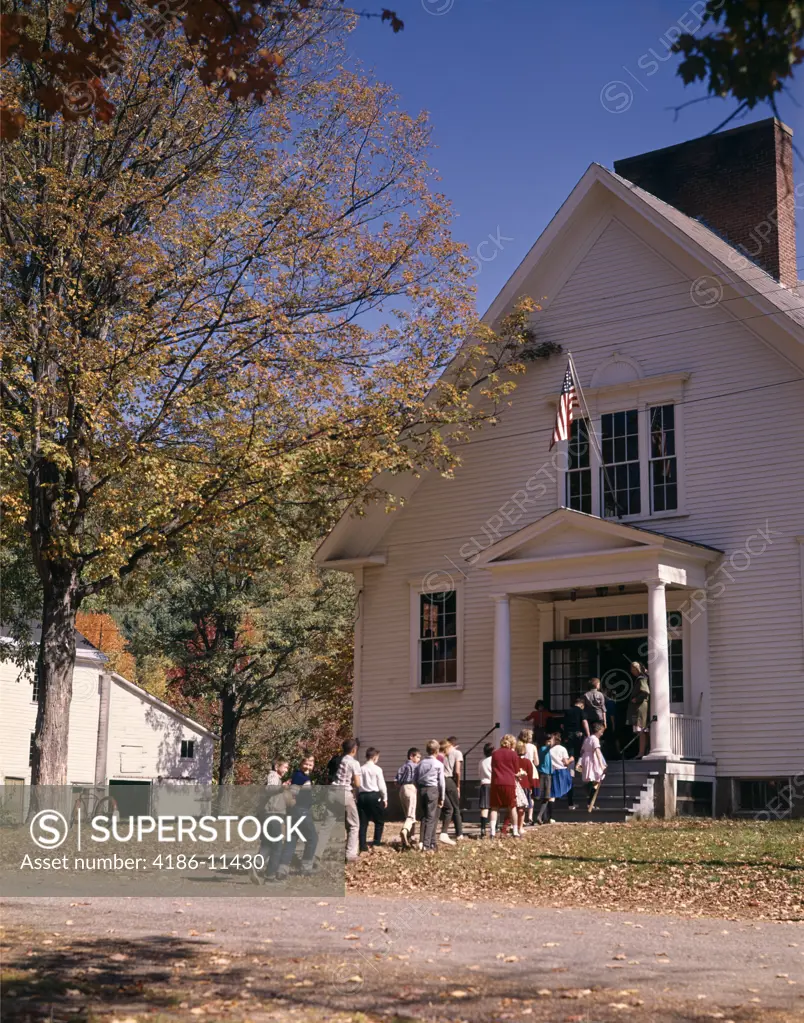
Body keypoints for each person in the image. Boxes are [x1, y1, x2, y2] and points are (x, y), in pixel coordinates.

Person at [251, 756, 290, 884]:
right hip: (272, 815)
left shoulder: (276, 779)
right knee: (277, 845)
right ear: (276, 767)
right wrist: (281, 788)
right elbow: (269, 789)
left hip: (269, 814)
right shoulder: (273, 776)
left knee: (267, 843)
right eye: (285, 767)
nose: (286, 769)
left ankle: (256, 865)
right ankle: (270, 876)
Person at [279, 753, 318, 877]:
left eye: (310, 764)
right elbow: (293, 793)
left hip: (291, 813)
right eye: (305, 763)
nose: (308, 766)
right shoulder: (302, 778)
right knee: (312, 838)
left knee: (291, 839)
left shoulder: (295, 775)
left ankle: (282, 869)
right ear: (301, 764)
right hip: (301, 811)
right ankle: (306, 868)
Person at [332, 737, 362, 861]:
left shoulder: (339, 760)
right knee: (354, 825)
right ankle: (350, 854)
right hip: (344, 792)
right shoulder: (354, 763)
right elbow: (358, 783)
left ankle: (316, 853)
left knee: (327, 825)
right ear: (354, 749)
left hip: (332, 791)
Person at [415, 739, 445, 851]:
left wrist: (419, 788)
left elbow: (415, 779)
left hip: (422, 789)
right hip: (432, 789)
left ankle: (428, 841)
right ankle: (427, 845)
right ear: (437, 751)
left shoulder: (421, 763)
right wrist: (442, 796)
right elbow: (441, 782)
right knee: (431, 818)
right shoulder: (438, 764)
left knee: (424, 816)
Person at [489, 734, 520, 838]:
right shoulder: (513, 754)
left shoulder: (495, 754)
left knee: (494, 807)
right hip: (509, 782)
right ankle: (515, 831)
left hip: (496, 782)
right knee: (512, 807)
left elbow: (493, 767)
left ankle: (492, 832)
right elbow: (516, 770)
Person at [357, 747, 387, 851]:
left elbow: (357, 784)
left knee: (363, 822)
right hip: (374, 795)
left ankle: (362, 845)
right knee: (379, 821)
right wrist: (385, 797)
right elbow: (382, 785)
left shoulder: (361, 769)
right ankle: (376, 842)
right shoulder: (377, 769)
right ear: (374, 757)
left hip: (362, 795)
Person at [439, 736, 463, 844]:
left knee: (446, 807)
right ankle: (459, 833)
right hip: (449, 780)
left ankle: (444, 831)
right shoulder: (457, 753)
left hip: (440, 780)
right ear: (455, 744)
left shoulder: (441, 753)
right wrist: (458, 785)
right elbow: (457, 771)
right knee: (456, 807)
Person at [395, 747, 421, 849]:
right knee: (411, 814)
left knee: (408, 814)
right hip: (411, 787)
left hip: (402, 789)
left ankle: (411, 837)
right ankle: (405, 831)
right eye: (417, 757)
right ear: (411, 756)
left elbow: (396, 781)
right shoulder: (415, 766)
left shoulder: (402, 767)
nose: (419, 759)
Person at [580, 722, 607, 809]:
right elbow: (598, 752)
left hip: (586, 759)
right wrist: (602, 764)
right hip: (592, 760)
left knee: (592, 778)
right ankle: (590, 801)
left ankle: (590, 798)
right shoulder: (595, 739)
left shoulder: (587, 739)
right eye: (601, 731)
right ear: (598, 730)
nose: (602, 734)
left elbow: (582, 751)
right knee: (597, 778)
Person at [626, 662, 651, 758]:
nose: (632, 672)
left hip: (640, 708)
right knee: (643, 731)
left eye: (633, 670)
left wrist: (636, 699)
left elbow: (645, 692)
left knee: (641, 730)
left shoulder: (641, 679)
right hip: (641, 707)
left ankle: (641, 752)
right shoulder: (643, 677)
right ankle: (643, 751)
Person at [548, 732, 576, 809]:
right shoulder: (562, 749)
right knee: (569, 786)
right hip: (562, 771)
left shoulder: (550, 750)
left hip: (553, 771)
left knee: (554, 790)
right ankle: (570, 804)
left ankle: (551, 810)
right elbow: (566, 763)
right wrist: (571, 759)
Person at [518, 729, 538, 824]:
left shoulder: (518, 746)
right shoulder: (533, 747)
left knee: (520, 793)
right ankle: (530, 816)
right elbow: (537, 762)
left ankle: (522, 818)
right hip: (532, 770)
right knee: (531, 795)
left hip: (520, 769)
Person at [515, 740, 536, 834]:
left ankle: (514, 824)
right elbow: (530, 775)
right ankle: (520, 826)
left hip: (516, 785)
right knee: (522, 808)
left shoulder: (514, 760)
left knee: (515, 807)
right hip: (525, 785)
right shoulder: (527, 762)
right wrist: (531, 786)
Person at [536, 734, 556, 824]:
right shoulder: (543, 749)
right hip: (545, 774)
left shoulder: (542, 749)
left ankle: (543, 817)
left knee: (545, 797)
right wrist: (550, 742)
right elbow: (548, 748)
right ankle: (539, 815)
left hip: (546, 774)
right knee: (546, 796)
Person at [478, 741, 494, 839]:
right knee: (494, 807)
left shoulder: (481, 761)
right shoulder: (494, 760)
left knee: (484, 807)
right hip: (493, 784)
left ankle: (483, 829)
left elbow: (479, 773)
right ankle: (494, 827)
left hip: (484, 784)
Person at [562, 696, 586, 761]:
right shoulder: (581, 711)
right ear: (581, 704)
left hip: (568, 733)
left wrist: (565, 734)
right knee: (578, 750)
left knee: (570, 750)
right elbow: (584, 722)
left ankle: (571, 767)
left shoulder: (567, 711)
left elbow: (562, 725)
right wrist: (587, 733)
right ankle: (577, 766)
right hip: (578, 733)